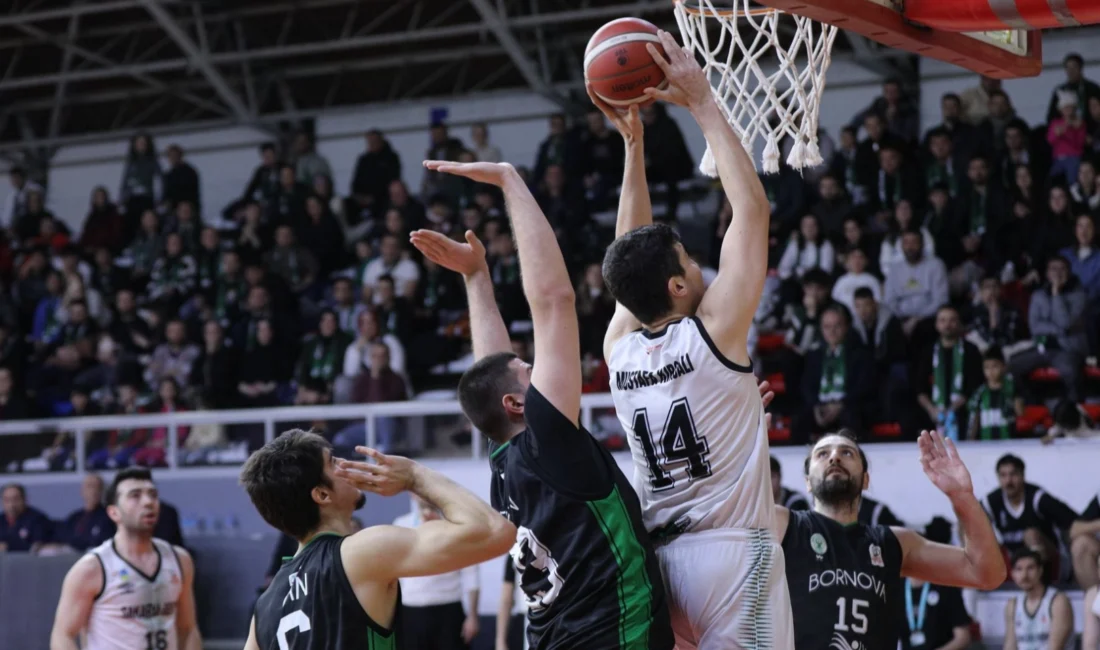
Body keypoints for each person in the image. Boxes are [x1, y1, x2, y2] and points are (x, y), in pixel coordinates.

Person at [411, 158, 674, 648]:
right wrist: (511, 181)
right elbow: (553, 301)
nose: (540, 372)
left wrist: (476, 278)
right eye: (530, 373)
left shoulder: (502, 461)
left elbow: (491, 366)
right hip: (614, 634)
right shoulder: (547, 440)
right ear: (516, 404)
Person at [595, 29, 790, 649]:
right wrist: (703, 102)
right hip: (734, 558)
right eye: (690, 260)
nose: (702, 264)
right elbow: (752, 210)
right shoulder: (714, 336)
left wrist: (634, 147)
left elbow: (626, 254)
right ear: (678, 285)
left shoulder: (619, 349)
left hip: (663, 569)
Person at [240, 430, 513, 650]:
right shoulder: (361, 552)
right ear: (322, 495)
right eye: (334, 463)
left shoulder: (265, 605)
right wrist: (414, 476)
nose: (346, 466)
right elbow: (494, 531)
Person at [775, 430, 1004, 650]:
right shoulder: (783, 523)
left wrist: (962, 497)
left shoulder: (892, 543)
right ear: (807, 481)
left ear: (865, 479)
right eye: (822, 454)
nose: (834, 456)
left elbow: (986, 573)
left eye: (847, 453)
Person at [49, 468, 202, 650]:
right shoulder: (92, 568)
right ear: (114, 513)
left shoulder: (180, 560)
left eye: (152, 495)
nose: (148, 502)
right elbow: (63, 635)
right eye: (135, 496)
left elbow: (188, 628)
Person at [393, 495, 481, 650]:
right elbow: (395, 574)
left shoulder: (455, 527)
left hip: (449, 608)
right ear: (412, 494)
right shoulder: (401, 525)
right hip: (411, 609)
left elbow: (471, 574)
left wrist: (472, 616)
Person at [983, 453, 1084, 583]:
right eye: (1003, 475)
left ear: (1023, 475)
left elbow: (1074, 522)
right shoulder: (992, 501)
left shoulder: (1037, 498)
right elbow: (966, 523)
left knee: (1031, 535)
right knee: (970, 529)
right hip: (1015, 565)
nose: (1008, 481)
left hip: (1053, 564)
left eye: (1013, 474)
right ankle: (970, 593)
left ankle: (1040, 587)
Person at [1004, 549, 1074, 650]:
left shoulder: (1058, 601)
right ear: (1013, 574)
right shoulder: (1012, 605)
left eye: (1030, 568)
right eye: (1019, 569)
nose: (1024, 575)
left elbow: (1055, 647)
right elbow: (1010, 645)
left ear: (1040, 570)